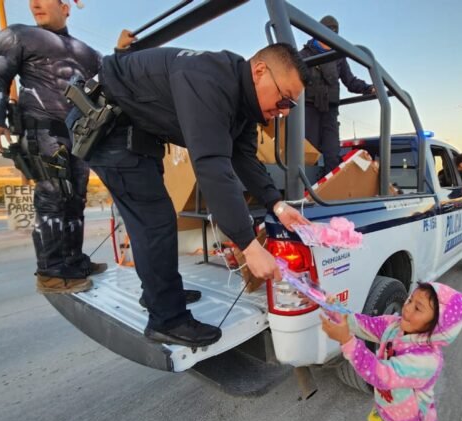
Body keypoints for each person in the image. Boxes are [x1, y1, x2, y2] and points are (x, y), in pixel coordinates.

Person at [84, 41, 311, 347]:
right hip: (108, 123)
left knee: (155, 218)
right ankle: (167, 319)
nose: (283, 112)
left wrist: (277, 204)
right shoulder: (209, 80)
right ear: (260, 71)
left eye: (290, 107)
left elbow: (243, 157)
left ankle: (160, 295)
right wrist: (248, 245)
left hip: (138, 131)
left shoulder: (244, 104)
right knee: (155, 221)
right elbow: (212, 165)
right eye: (284, 99)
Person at [0, 0, 104, 294]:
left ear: (66, 7)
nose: (35, 3)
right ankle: (50, 272)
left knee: (75, 199)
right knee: (52, 198)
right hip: (42, 130)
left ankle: (73, 261)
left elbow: (104, 86)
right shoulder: (19, 35)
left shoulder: (88, 52)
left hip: (78, 134)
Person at [320, 282, 462, 421]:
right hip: (390, 420)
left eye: (418, 308)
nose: (407, 308)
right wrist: (330, 306)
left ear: (438, 327)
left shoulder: (426, 360)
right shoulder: (394, 326)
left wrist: (347, 340)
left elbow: (379, 373)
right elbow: (363, 324)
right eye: (410, 299)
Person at [299, 15, 375, 173]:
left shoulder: (338, 56)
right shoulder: (304, 55)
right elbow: (292, 80)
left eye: (334, 33)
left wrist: (369, 88)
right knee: (308, 152)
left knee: (332, 153)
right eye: (327, 32)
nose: (329, 37)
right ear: (318, 33)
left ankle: (328, 191)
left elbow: (350, 81)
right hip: (308, 109)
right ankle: (304, 191)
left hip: (330, 111)